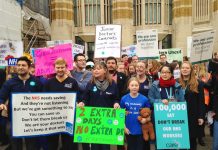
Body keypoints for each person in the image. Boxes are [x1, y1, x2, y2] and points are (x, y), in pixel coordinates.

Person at [0, 56, 43, 150]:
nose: (20, 67)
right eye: (19, 65)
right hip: (14, 119)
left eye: (23, 65)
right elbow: (2, 96)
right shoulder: (10, 82)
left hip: (32, 120)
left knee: (32, 145)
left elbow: (43, 98)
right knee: (16, 145)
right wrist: (1, 103)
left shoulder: (36, 82)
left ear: (29, 67)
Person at [78, 62, 120, 150]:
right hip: (93, 120)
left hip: (107, 119)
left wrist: (116, 103)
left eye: (99, 68)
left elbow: (116, 98)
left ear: (105, 70)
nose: (96, 70)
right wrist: (83, 103)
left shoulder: (112, 84)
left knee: (105, 145)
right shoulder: (90, 84)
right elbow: (85, 98)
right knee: (94, 145)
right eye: (94, 69)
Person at [44, 58, 79, 150]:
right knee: (52, 142)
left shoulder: (72, 82)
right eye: (58, 67)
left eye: (62, 67)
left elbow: (78, 97)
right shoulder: (49, 82)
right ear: (54, 68)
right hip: (53, 118)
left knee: (68, 143)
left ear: (66, 68)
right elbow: (43, 99)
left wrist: (79, 103)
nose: (60, 69)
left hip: (68, 118)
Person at [179, 62, 205, 150]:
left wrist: (201, 116)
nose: (185, 70)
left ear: (191, 70)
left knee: (192, 141)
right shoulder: (176, 82)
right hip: (179, 116)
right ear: (180, 69)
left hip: (193, 116)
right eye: (183, 68)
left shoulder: (198, 83)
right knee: (181, 141)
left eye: (187, 68)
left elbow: (201, 101)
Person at [120, 77, 150, 150]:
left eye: (136, 85)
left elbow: (149, 115)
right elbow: (120, 115)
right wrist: (124, 127)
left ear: (139, 87)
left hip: (141, 130)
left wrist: (145, 120)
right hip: (129, 129)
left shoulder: (144, 99)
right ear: (128, 86)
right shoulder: (124, 99)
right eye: (132, 85)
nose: (134, 87)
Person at [70, 53, 92, 150]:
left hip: (83, 105)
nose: (83, 61)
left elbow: (83, 87)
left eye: (84, 60)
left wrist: (70, 77)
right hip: (72, 105)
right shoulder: (72, 72)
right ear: (75, 62)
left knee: (84, 132)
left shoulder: (89, 74)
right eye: (80, 60)